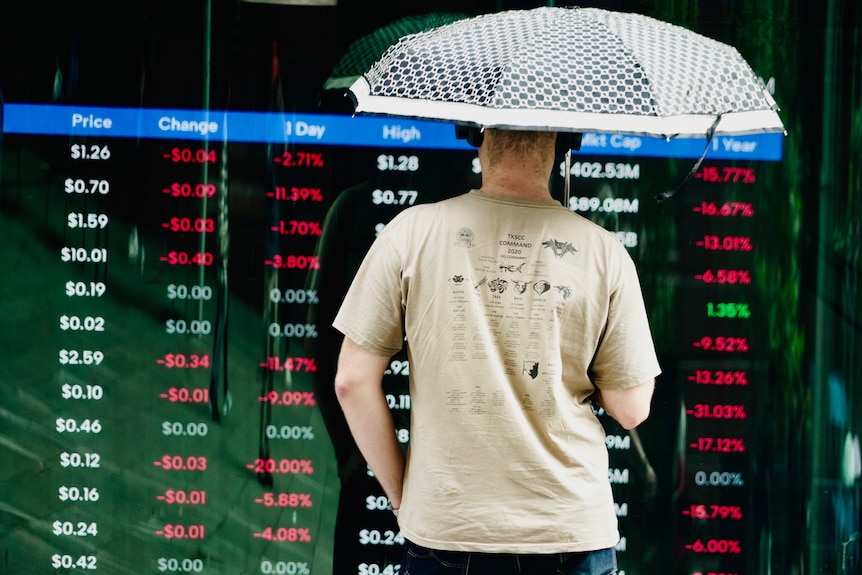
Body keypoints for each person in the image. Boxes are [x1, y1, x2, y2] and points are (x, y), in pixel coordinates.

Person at [332, 128, 661, 575]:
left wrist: (404, 495)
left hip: (445, 531)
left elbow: (351, 381)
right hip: (568, 535)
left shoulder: (410, 232)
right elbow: (632, 407)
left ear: (474, 134)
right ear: (565, 143)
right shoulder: (606, 253)